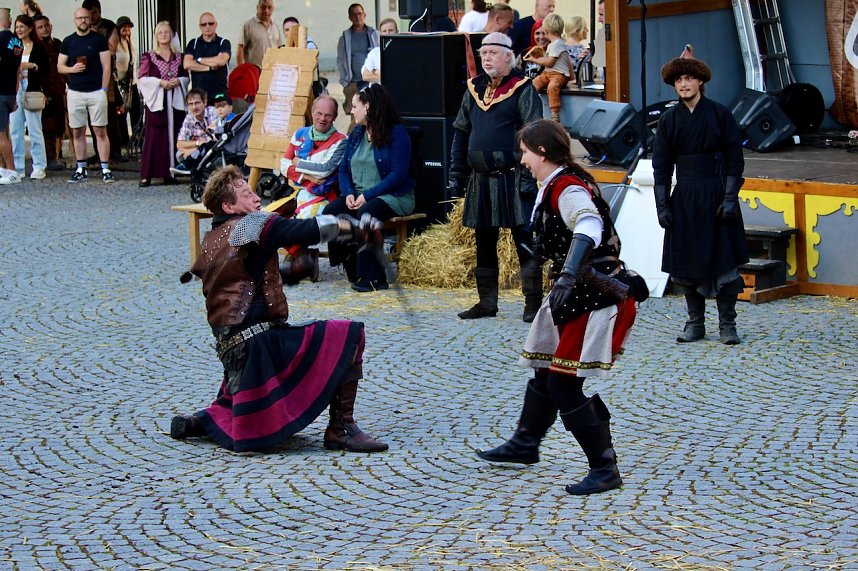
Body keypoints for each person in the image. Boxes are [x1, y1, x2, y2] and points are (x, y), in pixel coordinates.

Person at [170, 165, 389, 454]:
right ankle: (341, 428)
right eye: (246, 194)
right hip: (261, 345)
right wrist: (358, 229)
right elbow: (309, 229)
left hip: (232, 349)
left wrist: (292, 272)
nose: (256, 198)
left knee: (235, 397)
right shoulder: (250, 225)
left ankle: (202, 422)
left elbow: (243, 279)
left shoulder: (212, 241)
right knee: (349, 334)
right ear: (228, 206)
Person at [476, 119, 643, 496]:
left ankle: (605, 468)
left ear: (543, 153)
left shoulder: (567, 187)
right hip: (576, 293)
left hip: (593, 295)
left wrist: (567, 275)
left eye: (524, 153)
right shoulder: (557, 183)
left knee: (563, 384)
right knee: (543, 370)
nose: (522, 161)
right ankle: (525, 443)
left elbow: (589, 224)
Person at [653, 49, 748, 345]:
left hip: (716, 192)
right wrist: (663, 205)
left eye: (689, 78)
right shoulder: (669, 120)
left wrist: (730, 198)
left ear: (700, 82)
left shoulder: (720, 114)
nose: (684, 84)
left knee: (724, 261)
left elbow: (735, 158)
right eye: (679, 79)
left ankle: (727, 324)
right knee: (686, 261)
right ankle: (695, 323)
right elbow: (662, 165)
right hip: (685, 195)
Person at [448, 32, 544, 322]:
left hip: (514, 177)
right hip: (481, 178)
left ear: (508, 56)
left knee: (524, 240)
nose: (486, 57)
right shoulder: (473, 89)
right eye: (483, 52)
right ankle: (487, 302)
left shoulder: (523, 88)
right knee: (484, 240)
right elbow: (461, 132)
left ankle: (533, 304)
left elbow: (535, 133)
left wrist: (530, 178)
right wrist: (456, 173)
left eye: (492, 52)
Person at [322, 84, 415, 293]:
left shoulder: (397, 134)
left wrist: (367, 195)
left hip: (393, 196)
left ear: (369, 107)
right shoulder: (356, 134)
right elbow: (344, 170)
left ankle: (374, 278)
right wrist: (348, 194)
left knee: (367, 212)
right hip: (359, 195)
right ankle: (353, 266)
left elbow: (398, 175)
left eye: (355, 106)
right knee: (331, 212)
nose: (351, 110)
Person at [279, 95, 347, 284]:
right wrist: (309, 176)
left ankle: (301, 258)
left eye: (328, 115)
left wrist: (297, 163)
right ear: (312, 112)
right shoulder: (300, 134)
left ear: (334, 117)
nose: (322, 118)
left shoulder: (341, 141)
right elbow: (284, 165)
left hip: (325, 195)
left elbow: (326, 170)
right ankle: (304, 254)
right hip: (299, 192)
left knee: (305, 218)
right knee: (272, 217)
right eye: (319, 113)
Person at [57, 7, 113, 183]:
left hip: (96, 91)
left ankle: (105, 168)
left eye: (85, 18)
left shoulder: (99, 40)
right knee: (77, 131)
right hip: (75, 91)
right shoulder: (68, 41)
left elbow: (107, 66)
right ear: (74, 20)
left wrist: (103, 90)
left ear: (90, 19)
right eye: (79, 18)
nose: (83, 20)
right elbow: (60, 66)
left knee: (100, 130)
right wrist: (72, 69)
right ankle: (81, 167)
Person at [137, 20, 189, 187]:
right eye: (160, 32)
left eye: (167, 32)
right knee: (154, 137)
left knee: (173, 135)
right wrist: (160, 83)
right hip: (158, 101)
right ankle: (147, 175)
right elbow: (142, 78)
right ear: (156, 36)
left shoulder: (179, 57)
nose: (164, 35)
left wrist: (178, 81)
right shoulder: (149, 56)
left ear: (172, 35)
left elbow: (186, 76)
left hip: (174, 101)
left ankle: (170, 173)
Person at [82, 0, 122, 164]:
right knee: (93, 114)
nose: (91, 16)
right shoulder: (82, 27)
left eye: (94, 12)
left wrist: (95, 40)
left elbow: (112, 49)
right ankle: (99, 151)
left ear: (99, 11)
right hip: (88, 75)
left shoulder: (109, 26)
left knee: (110, 114)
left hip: (106, 75)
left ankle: (115, 150)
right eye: (88, 13)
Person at [9, 14, 48, 180]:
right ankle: (18, 166)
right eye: (17, 27)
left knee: (34, 129)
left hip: (30, 88)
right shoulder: (13, 46)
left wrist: (32, 65)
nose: (19, 30)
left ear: (30, 28)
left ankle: (39, 165)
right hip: (15, 88)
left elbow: (46, 69)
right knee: (15, 130)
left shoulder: (37, 47)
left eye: (22, 27)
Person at [524, 13, 572, 122]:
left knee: (552, 87)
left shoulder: (558, 44)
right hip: (548, 73)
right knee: (535, 82)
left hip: (559, 74)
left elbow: (550, 62)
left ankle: (555, 113)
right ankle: (530, 105)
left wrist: (534, 60)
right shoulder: (552, 44)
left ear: (547, 29)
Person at [33, 15, 65, 171]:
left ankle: (57, 154)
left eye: (46, 26)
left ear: (51, 26)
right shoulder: (35, 47)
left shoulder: (58, 44)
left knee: (59, 125)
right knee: (47, 126)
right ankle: (50, 157)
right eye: (40, 27)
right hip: (43, 92)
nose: (44, 29)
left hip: (58, 89)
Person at [336, 3, 379, 116]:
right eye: (354, 14)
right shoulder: (345, 38)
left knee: (372, 113)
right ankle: (354, 133)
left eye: (359, 13)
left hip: (371, 81)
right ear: (349, 17)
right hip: (353, 83)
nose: (357, 17)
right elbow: (340, 60)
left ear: (364, 15)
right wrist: (345, 82)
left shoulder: (374, 34)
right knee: (355, 115)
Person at [183, 12, 231, 101]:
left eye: (210, 23)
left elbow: (221, 61)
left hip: (219, 95)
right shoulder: (193, 43)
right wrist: (210, 67)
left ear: (216, 25)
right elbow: (187, 64)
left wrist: (199, 60)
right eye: (204, 24)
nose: (207, 26)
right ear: (200, 27)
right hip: (198, 97)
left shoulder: (223, 42)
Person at [0, 11, 24, 185]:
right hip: (9, 91)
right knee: (5, 132)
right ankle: (4, 169)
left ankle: (11, 170)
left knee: (1, 135)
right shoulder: (17, 41)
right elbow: (17, 70)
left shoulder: (0, 39)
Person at [170, 88, 217, 176]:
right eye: (191, 104)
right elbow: (180, 144)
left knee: (208, 147)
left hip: (213, 150)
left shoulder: (213, 112)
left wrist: (191, 150)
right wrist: (198, 144)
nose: (194, 107)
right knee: (179, 154)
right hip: (199, 151)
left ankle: (187, 166)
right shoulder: (189, 118)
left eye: (197, 103)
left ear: (205, 102)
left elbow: (215, 140)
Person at [114, 16, 138, 152]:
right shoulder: (115, 43)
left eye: (128, 27)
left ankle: (136, 138)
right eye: (123, 26)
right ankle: (123, 140)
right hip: (120, 83)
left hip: (131, 82)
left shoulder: (129, 42)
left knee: (135, 111)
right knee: (121, 113)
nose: (126, 29)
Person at [237, 0, 283, 67]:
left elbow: (279, 48)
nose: (266, 11)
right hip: (254, 72)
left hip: (272, 71)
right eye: (263, 7)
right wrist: (241, 70)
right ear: (257, 8)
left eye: (269, 7)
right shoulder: (248, 25)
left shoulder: (275, 25)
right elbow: (240, 48)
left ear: (273, 8)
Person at [361, 18, 397, 85]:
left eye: (391, 30)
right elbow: (365, 76)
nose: (387, 33)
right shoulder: (374, 53)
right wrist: (387, 76)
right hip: (377, 94)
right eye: (384, 31)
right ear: (380, 33)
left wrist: (375, 72)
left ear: (397, 32)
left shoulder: (402, 52)